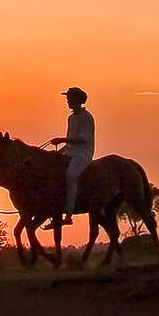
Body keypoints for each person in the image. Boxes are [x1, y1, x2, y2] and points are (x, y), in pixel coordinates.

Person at [48, 86, 94, 227]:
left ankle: (69, 214)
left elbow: (83, 139)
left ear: (77, 100)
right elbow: (71, 142)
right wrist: (59, 151)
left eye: (69, 99)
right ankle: (52, 213)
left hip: (82, 154)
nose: (67, 101)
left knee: (71, 175)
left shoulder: (86, 117)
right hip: (70, 153)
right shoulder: (71, 117)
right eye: (67, 99)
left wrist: (62, 140)